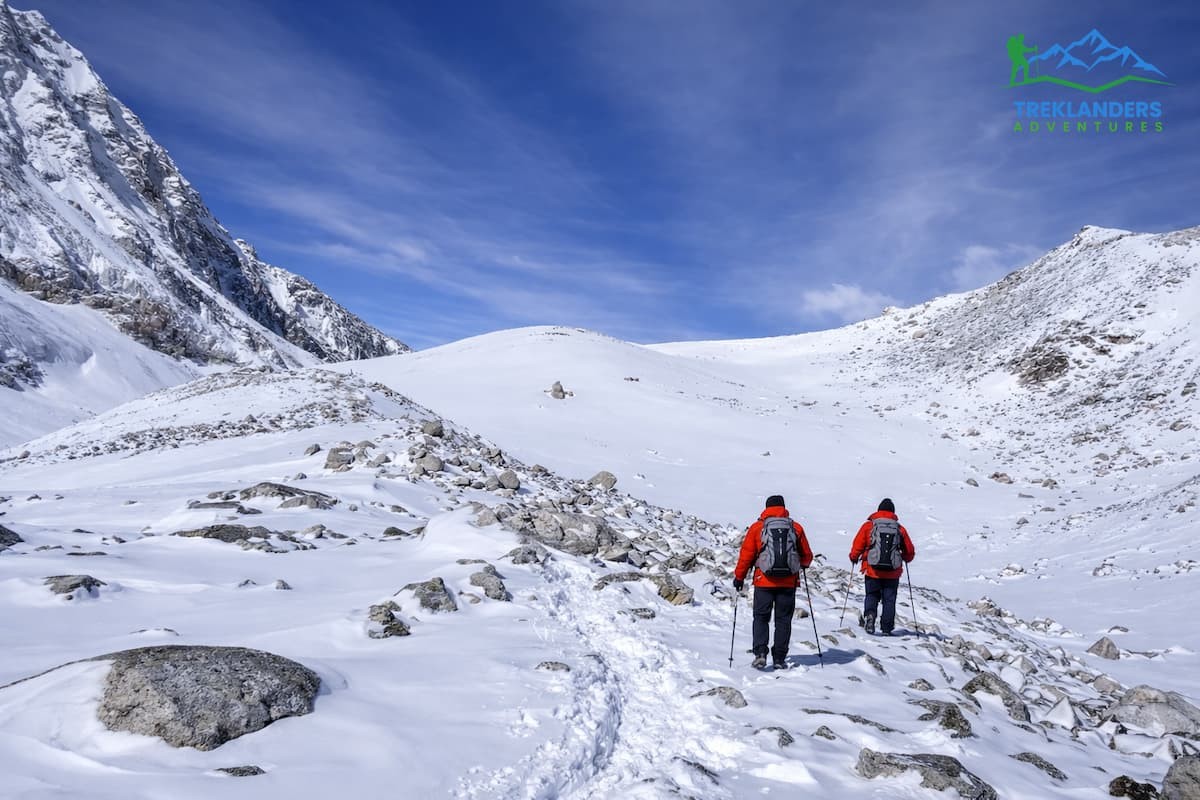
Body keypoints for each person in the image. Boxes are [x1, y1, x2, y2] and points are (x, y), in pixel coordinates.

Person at [733, 494, 813, 669]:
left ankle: (760, 653)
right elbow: (807, 556)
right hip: (788, 582)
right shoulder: (796, 528)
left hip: (764, 581)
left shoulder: (757, 528)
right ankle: (779, 658)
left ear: (766, 508)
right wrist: (800, 565)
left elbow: (746, 556)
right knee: (783, 620)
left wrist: (739, 577)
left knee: (761, 617)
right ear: (784, 508)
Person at [849, 498, 915, 636]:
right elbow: (909, 551)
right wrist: (905, 558)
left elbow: (858, 545)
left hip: (872, 570)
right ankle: (886, 628)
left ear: (878, 510)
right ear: (893, 512)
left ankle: (870, 617)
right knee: (889, 600)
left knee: (872, 595)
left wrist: (854, 557)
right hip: (893, 572)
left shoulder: (869, 526)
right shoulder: (899, 528)